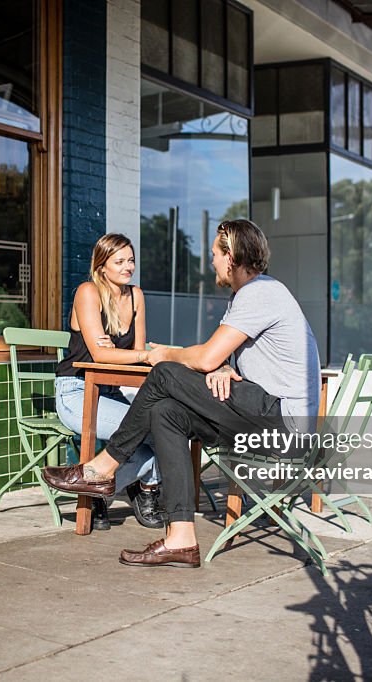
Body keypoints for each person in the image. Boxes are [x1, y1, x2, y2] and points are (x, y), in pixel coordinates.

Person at [43, 219, 320, 567]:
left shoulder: (260, 292)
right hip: (261, 414)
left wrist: (168, 355)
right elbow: (219, 359)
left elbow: (204, 356)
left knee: (163, 372)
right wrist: (219, 365)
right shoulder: (246, 296)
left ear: (231, 257)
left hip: (282, 424)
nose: (211, 262)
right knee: (165, 414)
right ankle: (182, 539)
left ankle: (101, 468)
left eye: (215, 255)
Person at [54, 233, 164, 530]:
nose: (128, 266)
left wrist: (119, 353)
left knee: (168, 429)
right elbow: (106, 355)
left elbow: (134, 353)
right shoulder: (87, 292)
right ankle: (144, 489)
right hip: (76, 392)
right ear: (102, 266)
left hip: (112, 393)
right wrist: (119, 354)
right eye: (119, 261)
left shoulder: (135, 295)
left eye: (131, 260)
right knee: (158, 431)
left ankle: (100, 491)